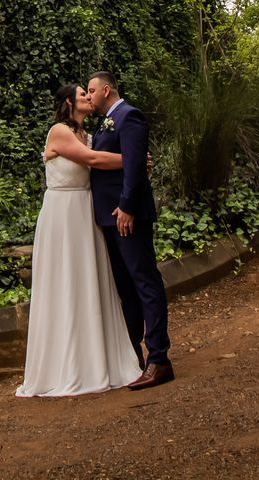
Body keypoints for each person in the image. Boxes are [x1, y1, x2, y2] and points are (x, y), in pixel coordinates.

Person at [17, 85, 143, 397]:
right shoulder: (59, 131)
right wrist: (134, 160)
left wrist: (135, 165)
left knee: (90, 284)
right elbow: (92, 160)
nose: (88, 97)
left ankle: (96, 359)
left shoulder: (89, 132)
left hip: (85, 214)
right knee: (65, 284)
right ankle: (64, 365)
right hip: (61, 216)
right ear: (68, 103)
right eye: (82, 94)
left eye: (89, 92)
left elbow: (97, 160)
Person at [85, 70, 174, 389]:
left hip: (127, 216)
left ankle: (160, 359)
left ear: (106, 90)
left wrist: (127, 207)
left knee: (145, 282)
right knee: (126, 288)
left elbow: (135, 166)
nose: (88, 95)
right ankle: (132, 355)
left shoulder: (129, 116)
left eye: (92, 90)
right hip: (109, 218)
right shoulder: (103, 121)